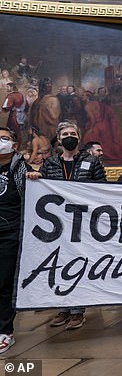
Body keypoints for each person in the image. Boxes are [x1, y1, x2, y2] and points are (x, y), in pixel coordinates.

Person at [25, 121, 106, 330]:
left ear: (78, 137)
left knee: (78, 265)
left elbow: (103, 189)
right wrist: (36, 177)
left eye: (73, 133)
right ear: (59, 139)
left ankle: (78, 311)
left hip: (83, 223)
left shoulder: (91, 161)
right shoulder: (51, 163)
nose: (69, 136)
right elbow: (43, 185)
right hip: (57, 225)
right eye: (65, 134)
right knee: (58, 265)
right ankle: (62, 307)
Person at [0, 127, 31, 354]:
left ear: (14, 145)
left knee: (4, 283)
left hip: (9, 234)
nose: (0, 142)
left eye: (4, 139)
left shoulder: (22, 170)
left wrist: (37, 180)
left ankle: (4, 332)